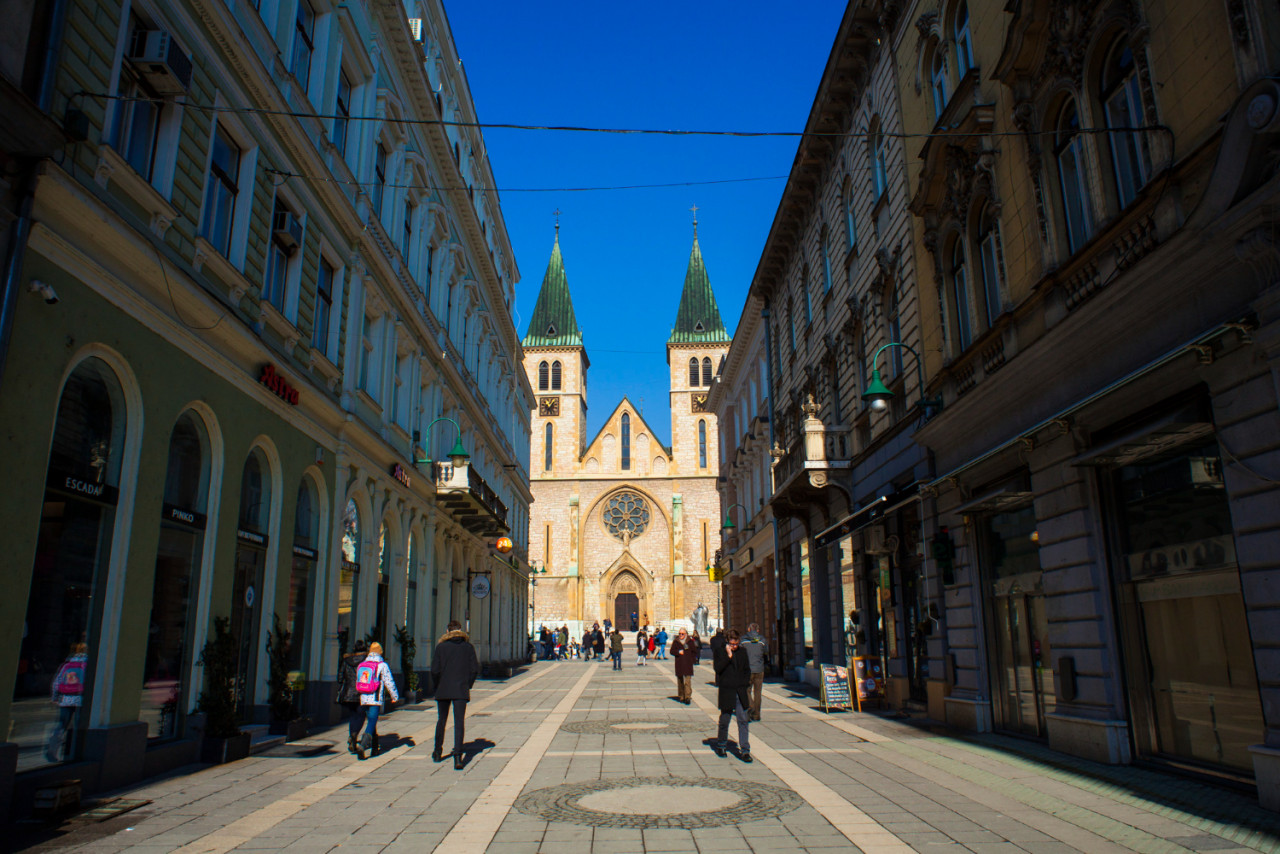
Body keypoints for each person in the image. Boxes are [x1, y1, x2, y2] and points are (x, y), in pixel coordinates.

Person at [431, 620, 480, 770]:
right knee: (459, 722)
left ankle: (438, 751)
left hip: (443, 688)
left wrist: (437, 685)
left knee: (442, 720)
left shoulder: (441, 647)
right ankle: (458, 756)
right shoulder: (468, 647)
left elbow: (435, 670)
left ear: (447, 631)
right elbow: (474, 669)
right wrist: (467, 684)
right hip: (460, 689)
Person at [354, 641, 399, 759]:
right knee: (372, 722)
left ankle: (374, 748)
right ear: (380, 652)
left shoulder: (363, 663)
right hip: (375, 698)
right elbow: (389, 681)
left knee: (371, 721)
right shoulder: (382, 665)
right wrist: (394, 696)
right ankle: (363, 745)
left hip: (363, 696)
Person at [712, 629, 752, 762]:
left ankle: (745, 750)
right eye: (732, 644)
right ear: (727, 643)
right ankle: (722, 745)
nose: (735, 646)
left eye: (736, 644)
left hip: (740, 690)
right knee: (725, 719)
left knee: (743, 720)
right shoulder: (720, 652)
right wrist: (728, 656)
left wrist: (745, 683)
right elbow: (718, 669)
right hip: (727, 691)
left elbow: (747, 670)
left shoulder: (742, 652)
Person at [46, 643, 88, 763]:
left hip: (65, 699)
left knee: (61, 725)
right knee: (78, 726)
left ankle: (53, 750)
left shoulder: (67, 664)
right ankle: (74, 751)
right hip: (81, 699)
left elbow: (57, 681)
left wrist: (55, 697)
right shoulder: (88, 664)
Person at [336, 639, 368, 756]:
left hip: (348, 693)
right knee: (361, 715)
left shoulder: (346, 660)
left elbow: (340, 677)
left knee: (353, 716)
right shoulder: (366, 661)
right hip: (362, 693)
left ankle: (352, 737)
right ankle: (354, 736)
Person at [741, 623, 767, 721]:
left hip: (747, 669)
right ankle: (756, 714)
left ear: (748, 629)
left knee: (747, 690)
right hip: (759, 669)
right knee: (758, 692)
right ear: (758, 630)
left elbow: (740, 653)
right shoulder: (762, 640)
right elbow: (766, 651)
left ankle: (750, 706)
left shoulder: (743, 641)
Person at [670, 628, 695, 704]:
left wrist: (692, 660)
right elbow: (671, 651)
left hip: (687, 664)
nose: (680, 635)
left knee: (687, 681)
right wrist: (678, 652)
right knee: (680, 681)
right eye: (679, 633)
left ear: (686, 634)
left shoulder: (690, 642)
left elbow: (694, 652)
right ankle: (681, 696)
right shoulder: (676, 642)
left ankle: (687, 697)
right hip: (679, 664)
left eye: (682, 634)